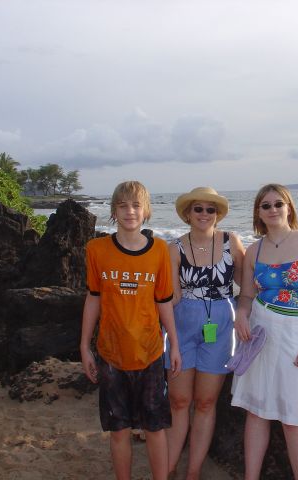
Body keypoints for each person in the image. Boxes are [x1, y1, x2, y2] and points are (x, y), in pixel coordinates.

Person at [231, 183, 298, 480]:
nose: (273, 209)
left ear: (289, 207)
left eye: (278, 203)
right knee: (256, 411)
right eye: (265, 205)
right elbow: (247, 295)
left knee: (294, 416)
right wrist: (241, 314)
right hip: (260, 336)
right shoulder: (254, 251)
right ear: (258, 213)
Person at [80, 180, 181, 480]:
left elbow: (164, 302)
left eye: (136, 205)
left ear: (146, 210)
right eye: (122, 206)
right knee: (119, 430)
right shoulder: (96, 249)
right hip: (111, 354)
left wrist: (175, 345)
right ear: (114, 211)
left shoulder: (159, 250)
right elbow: (93, 298)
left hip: (150, 353)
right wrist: (84, 346)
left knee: (155, 428)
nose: (130, 211)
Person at [164, 186, 245, 479]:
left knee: (206, 402)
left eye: (211, 209)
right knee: (179, 402)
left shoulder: (230, 241)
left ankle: (193, 471)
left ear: (218, 214)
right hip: (182, 324)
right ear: (188, 213)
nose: (204, 214)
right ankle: (169, 467)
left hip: (221, 325)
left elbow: (247, 283)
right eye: (198, 208)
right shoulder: (174, 248)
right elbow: (171, 297)